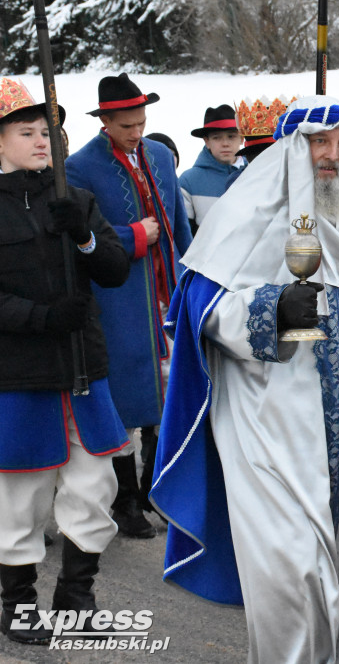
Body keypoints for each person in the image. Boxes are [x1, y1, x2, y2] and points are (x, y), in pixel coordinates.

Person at [150, 95, 339, 664]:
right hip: (267, 421)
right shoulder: (242, 219)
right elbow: (201, 312)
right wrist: (274, 312)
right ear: (287, 149)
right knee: (293, 570)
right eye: (317, 143)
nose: (332, 155)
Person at [0, 78, 130, 645]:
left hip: (83, 367)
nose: (40, 141)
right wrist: (40, 317)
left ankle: (77, 596)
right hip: (20, 373)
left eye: (48, 132)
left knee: (93, 482)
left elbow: (114, 268)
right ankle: (18, 602)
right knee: (21, 493)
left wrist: (83, 237)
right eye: (26, 132)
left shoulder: (75, 198)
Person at [65, 73, 192, 540]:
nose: (136, 133)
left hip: (167, 295)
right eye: (126, 126)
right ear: (105, 122)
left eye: (141, 122)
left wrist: (189, 274)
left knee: (167, 394)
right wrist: (136, 236)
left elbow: (177, 224)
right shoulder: (80, 167)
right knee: (126, 400)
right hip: (119, 300)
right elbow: (80, 237)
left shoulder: (160, 156)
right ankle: (125, 500)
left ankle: (156, 489)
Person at [179, 104, 244, 234]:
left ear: (242, 138)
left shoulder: (256, 173)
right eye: (217, 137)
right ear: (207, 141)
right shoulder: (188, 181)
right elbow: (184, 234)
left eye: (231, 136)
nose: (225, 143)